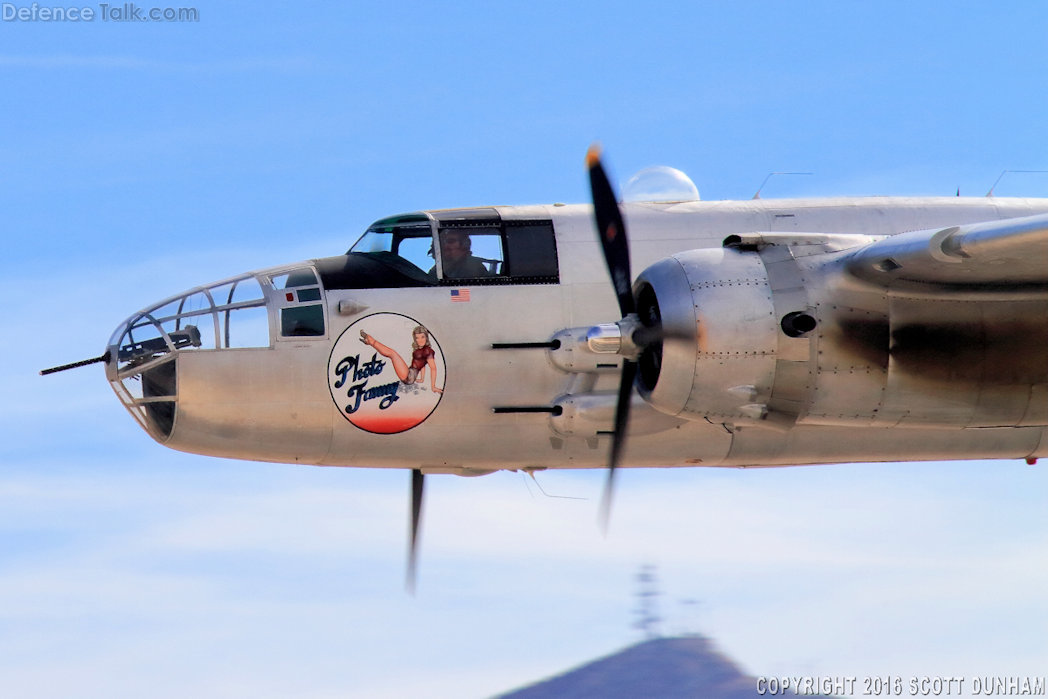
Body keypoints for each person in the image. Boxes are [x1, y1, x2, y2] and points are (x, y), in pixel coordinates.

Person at [360, 326, 443, 394]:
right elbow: (423, 365)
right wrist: (421, 379)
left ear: (426, 337)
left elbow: (433, 368)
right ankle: (370, 341)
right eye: (417, 338)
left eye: (422, 337)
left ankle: (371, 341)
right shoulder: (421, 350)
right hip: (410, 373)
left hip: (409, 376)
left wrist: (433, 387)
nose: (420, 340)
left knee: (392, 354)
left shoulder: (428, 351)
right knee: (392, 354)